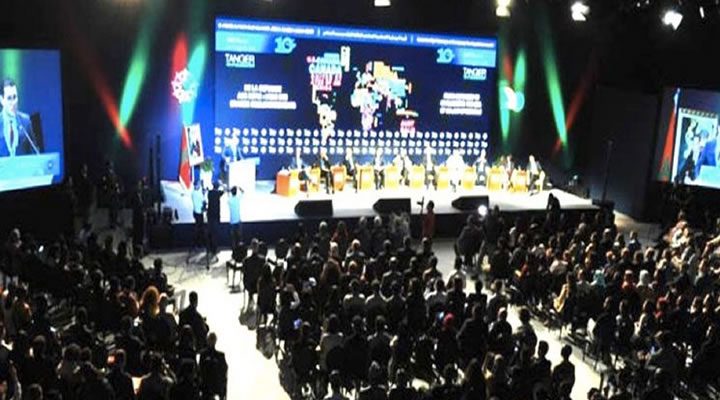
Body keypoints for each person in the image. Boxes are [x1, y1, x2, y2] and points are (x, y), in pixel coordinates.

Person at [0, 77, 39, 157]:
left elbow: (34, 153)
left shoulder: (25, 122)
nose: (13, 102)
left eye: (15, 97)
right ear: (2, 100)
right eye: (9, 98)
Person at [199, 332, 228, 400]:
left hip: (214, 386)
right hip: (206, 386)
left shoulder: (219, 356)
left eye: (212, 340)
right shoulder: (203, 355)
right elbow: (200, 370)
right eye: (210, 340)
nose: (211, 342)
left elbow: (224, 372)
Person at [206, 181, 223, 262]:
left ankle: (209, 248)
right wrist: (222, 184)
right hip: (215, 217)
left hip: (210, 216)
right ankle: (214, 250)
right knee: (215, 234)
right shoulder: (218, 193)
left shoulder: (210, 193)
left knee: (210, 233)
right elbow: (224, 191)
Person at [191, 181, 207, 252]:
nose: (199, 185)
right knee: (199, 230)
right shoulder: (197, 194)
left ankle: (197, 245)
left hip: (195, 212)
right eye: (198, 184)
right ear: (196, 185)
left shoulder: (193, 193)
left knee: (198, 229)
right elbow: (204, 201)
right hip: (199, 213)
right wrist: (204, 194)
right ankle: (198, 245)